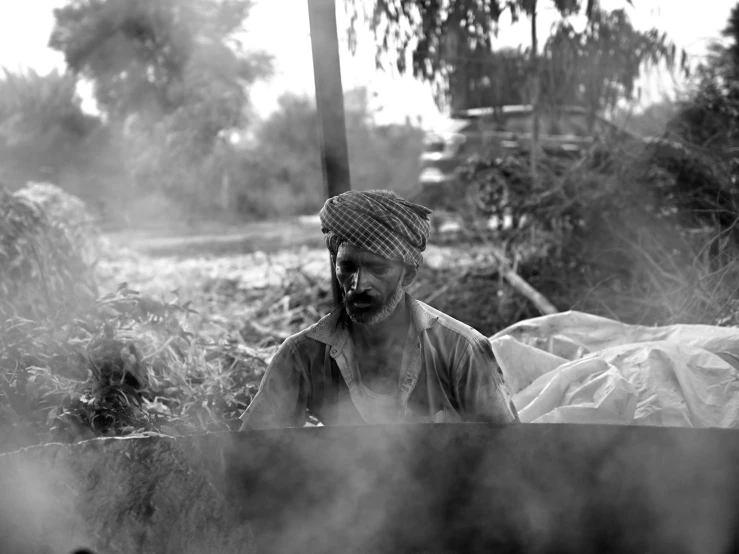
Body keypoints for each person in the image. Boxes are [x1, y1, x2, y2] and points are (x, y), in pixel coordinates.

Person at [239, 190, 519, 429]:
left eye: (378, 268)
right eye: (347, 267)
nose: (358, 285)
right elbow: (252, 449)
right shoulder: (301, 355)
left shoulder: (461, 350)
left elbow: (508, 454)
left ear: (407, 275)